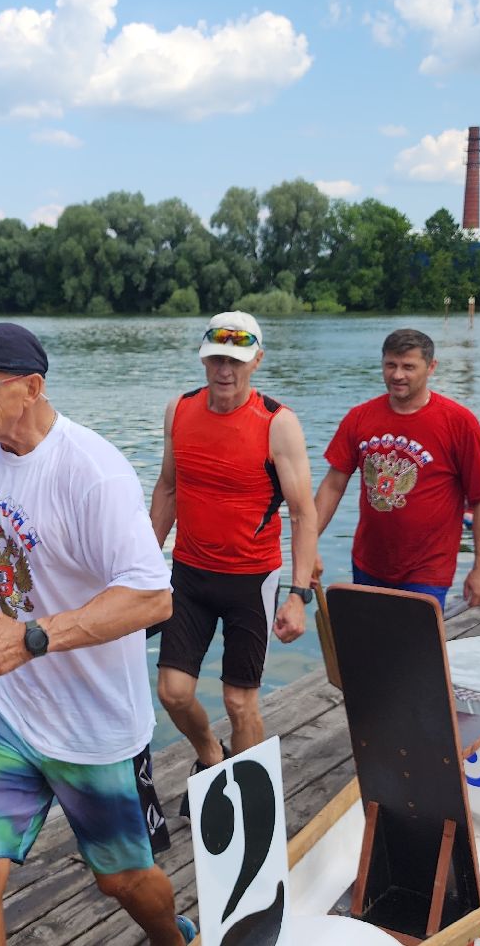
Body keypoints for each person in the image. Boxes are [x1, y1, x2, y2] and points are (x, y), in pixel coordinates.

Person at [0, 323, 195, 946]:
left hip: (97, 724)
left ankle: (171, 938)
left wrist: (33, 638)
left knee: (124, 882)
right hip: (10, 711)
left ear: (32, 388)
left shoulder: (92, 471)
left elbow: (153, 598)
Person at [148, 311, 317, 815]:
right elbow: (168, 487)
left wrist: (297, 593)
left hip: (252, 580)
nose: (225, 370)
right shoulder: (178, 410)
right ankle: (210, 757)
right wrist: (143, 564)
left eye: (237, 360)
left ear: (257, 360)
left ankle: (250, 807)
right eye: (217, 358)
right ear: (204, 359)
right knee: (174, 692)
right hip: (190, 575)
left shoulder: (277, 423)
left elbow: (303, 512)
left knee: (240, 701)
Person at [315, 329, 480, 615]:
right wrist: (307, 544)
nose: (397, 375)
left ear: (431, 367)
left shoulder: (458, 422)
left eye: (408, 367)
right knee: (369, 651)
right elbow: (333, 485)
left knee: (411, 652)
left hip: (427, 570)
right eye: (391, 365)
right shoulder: (360, 418)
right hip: (369, 563)